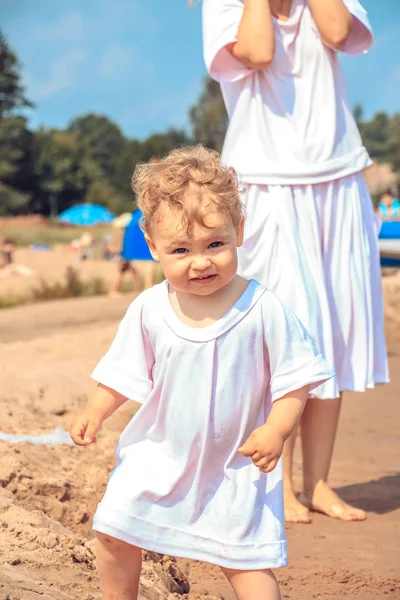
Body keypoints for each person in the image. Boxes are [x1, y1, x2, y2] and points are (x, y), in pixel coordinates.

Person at [71, 146, 333, 600]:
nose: (200, 262)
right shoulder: (149, 308)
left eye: (215, 244)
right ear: (152, 247)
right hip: (158, 456)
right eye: (181, 249)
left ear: (239, 232)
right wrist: (96, 411)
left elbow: (298, 379)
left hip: (233, 466)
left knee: (247, 562)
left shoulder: (261, 307)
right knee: (113, 529)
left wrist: (277, 429)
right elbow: (122, 371)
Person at [202, 0, 389, 523]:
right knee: (285, 330)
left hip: (339, 179)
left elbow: (336, 29)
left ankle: (320, 483)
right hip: (266, 182)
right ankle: (275, 486)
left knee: (337, 333)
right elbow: (257, 51)